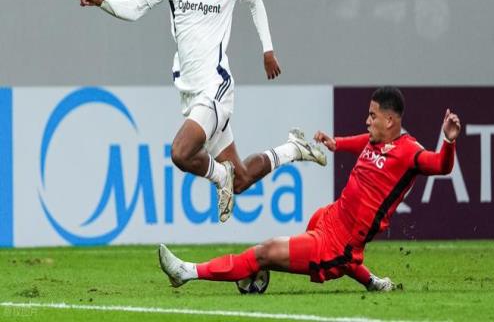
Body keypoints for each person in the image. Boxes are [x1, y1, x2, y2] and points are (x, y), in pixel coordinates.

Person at [76, 0, 326, 224]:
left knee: (180, 152)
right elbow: (135, 8)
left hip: (216, 87)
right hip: (191, 92)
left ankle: (220, 177)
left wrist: (268, 50)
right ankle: (292, 149)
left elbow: (255, 1)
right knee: (241, 179)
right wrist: (100, 1)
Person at [158, 87, 461, 292]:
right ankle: (372, 282)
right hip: (330, 217)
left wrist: (448, 140)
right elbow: (361, 142)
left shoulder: (410, 152)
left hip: (340, 243)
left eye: (373, 116)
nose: (367, 120)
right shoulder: (376, 141)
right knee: (311, 224)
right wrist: (336, 143)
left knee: (265, 252)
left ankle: (188, 272)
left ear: (391, 120)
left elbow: (441, 165)